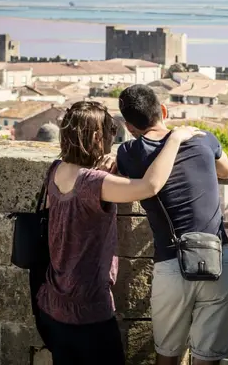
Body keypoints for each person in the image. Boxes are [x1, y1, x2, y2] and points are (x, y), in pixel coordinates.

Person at [37, 100, 203, 365]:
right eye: (109, 134)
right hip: (89, 310)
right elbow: (150, 186)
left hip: (52, 303)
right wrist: (175, 139)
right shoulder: (94, 182)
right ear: (96, 137)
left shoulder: (55, 170)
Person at [117, 85, 228, 365]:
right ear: (163, 111)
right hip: (218, 257)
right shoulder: (203, 138)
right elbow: (226, 171)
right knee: (208, 359)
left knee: (167, 358)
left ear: (129, 126)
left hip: (172, 264)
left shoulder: (129, 154)